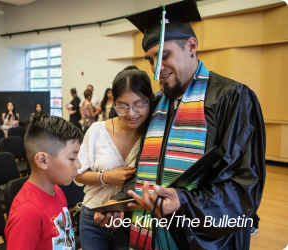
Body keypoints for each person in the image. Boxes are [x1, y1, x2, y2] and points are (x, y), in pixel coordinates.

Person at [94, 1, 266, 249]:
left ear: (192, 46)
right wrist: (120, 203)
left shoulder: (232, 98)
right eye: (151, 60)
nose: (156, 70)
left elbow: (244, 188)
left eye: (164, 56)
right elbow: (145, 176)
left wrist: (184, 202)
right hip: (154, 236)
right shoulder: (157, 105)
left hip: (207, 240)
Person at [74, 66, 154, 250]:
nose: (131, 113)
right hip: (94, 217)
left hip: (133, 220)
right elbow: (77, 175)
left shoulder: (154, 136)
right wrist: (106, 177)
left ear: (150, 100)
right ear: (113, 102)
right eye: (123, 106)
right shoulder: (97, 130)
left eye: (139, 104)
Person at [5, 113, 83, 250]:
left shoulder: (57, 191)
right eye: (72, 158)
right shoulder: (27, 212)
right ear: (43, 160)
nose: (79, 165)